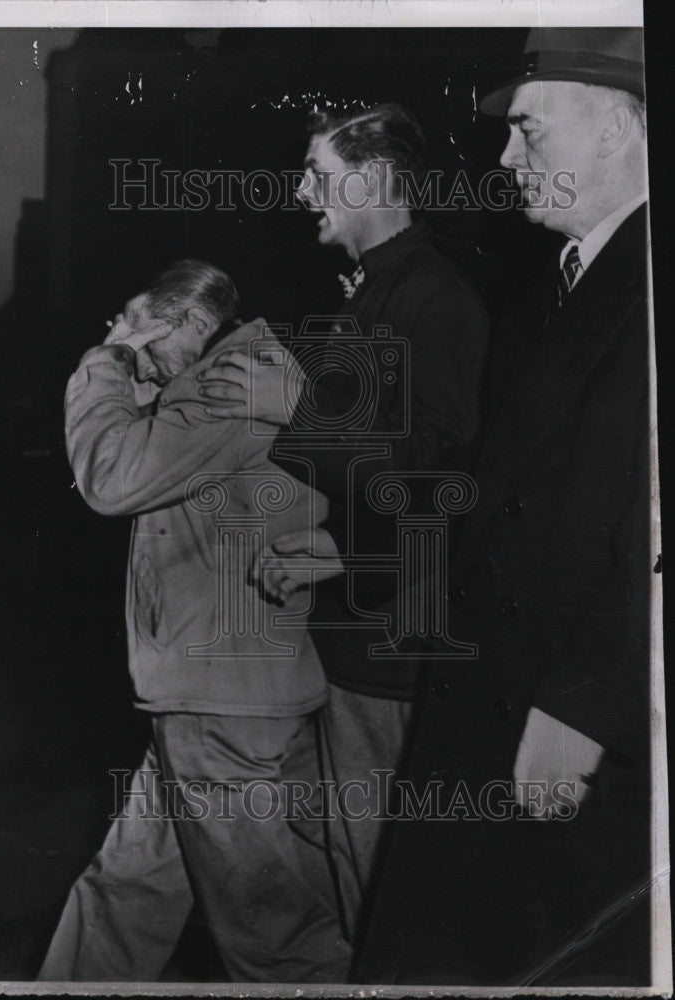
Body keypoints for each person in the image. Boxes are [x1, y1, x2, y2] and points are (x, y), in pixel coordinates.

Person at [354, 28, 654, 984]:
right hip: (496, 693)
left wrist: (588, 706)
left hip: (572, 723)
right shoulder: (559, 287)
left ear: (616, 128)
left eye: (528, 131)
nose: (504, 159)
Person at [196, 103, 489, 953]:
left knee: (378, 875)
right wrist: (330, 547)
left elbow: (436, 476)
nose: (300, 191)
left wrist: (290, 410)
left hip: (390, 642)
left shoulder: (435, 296)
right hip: (353, 625)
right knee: (337, 857)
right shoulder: (382, 291)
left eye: (320, 175)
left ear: (380, 180)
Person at [38, 260, 351, 983]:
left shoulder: (229, 383)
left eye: (143, 335)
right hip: (215, 694)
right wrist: (140, 366)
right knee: (125, 894)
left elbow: (112, 476)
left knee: (273, 937)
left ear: (180, 323)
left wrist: (106, 359)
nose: (137, 358)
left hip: (221, 709)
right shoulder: (237, 375)